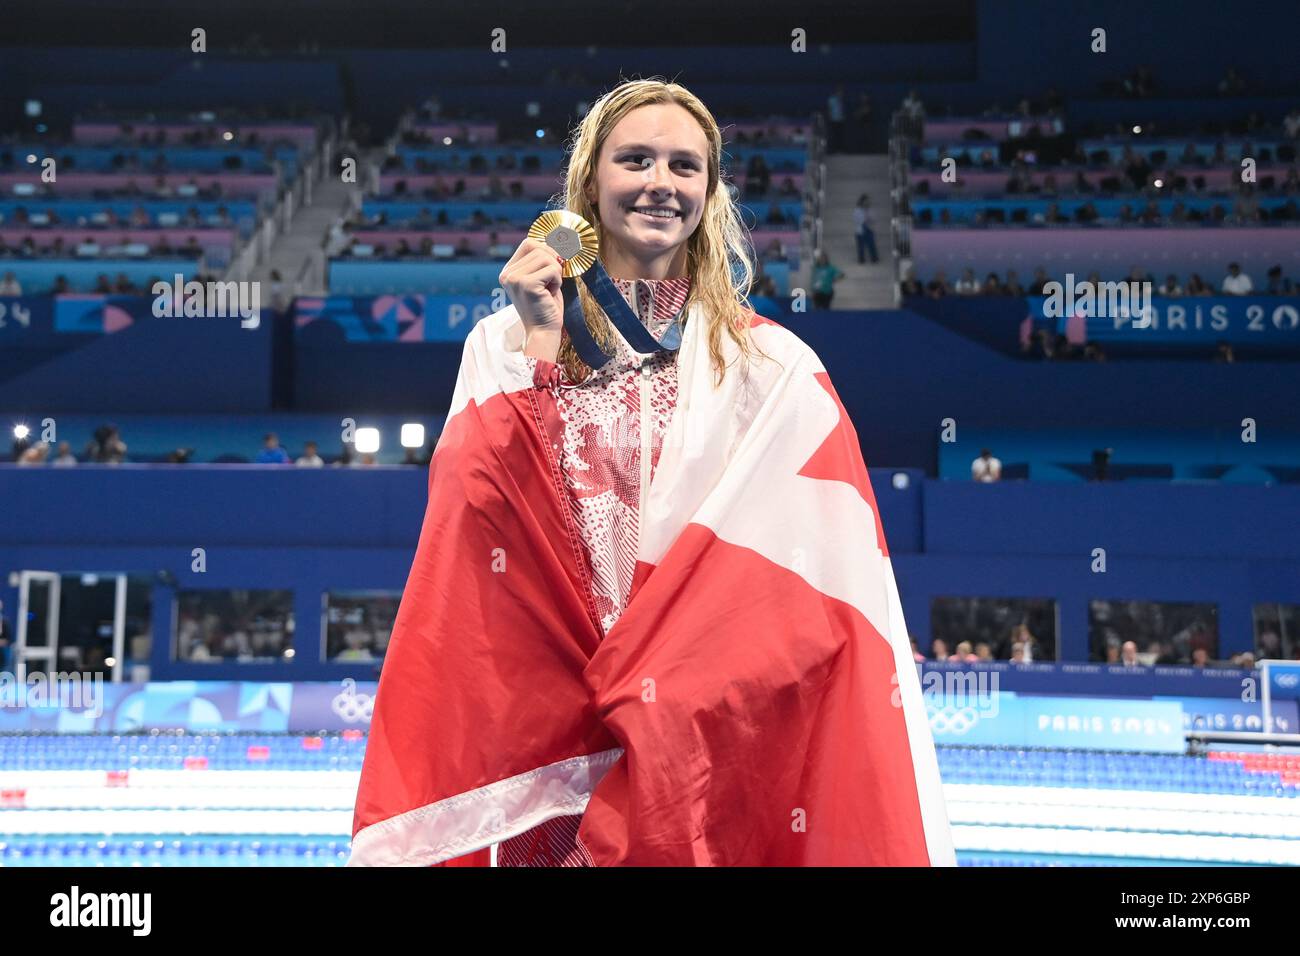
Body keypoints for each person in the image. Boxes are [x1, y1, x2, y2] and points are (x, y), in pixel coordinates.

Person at [350, 78, 953, 869]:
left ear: (710, 190)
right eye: (636, 160)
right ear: (590, 184)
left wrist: (685, 674)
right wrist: (541, 346)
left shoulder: (768, 364)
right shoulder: (501, 344)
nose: (660, 183)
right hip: (554, 733)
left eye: (685, 166)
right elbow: (492, 520)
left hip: (700, 732)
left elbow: (825, 575)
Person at [853, 194, 878, 264]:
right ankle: (861, 259)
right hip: (860, 230)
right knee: (860, 246)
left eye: (868, 201)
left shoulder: (870, 210)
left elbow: (874, 218)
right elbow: (856, 220)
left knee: (872, 244)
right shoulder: (857, 210)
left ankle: (874, 258)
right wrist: (864, 218)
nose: (867, 202)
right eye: (865, 201)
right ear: (862, 201)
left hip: (869, 229)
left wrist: (869, 217)